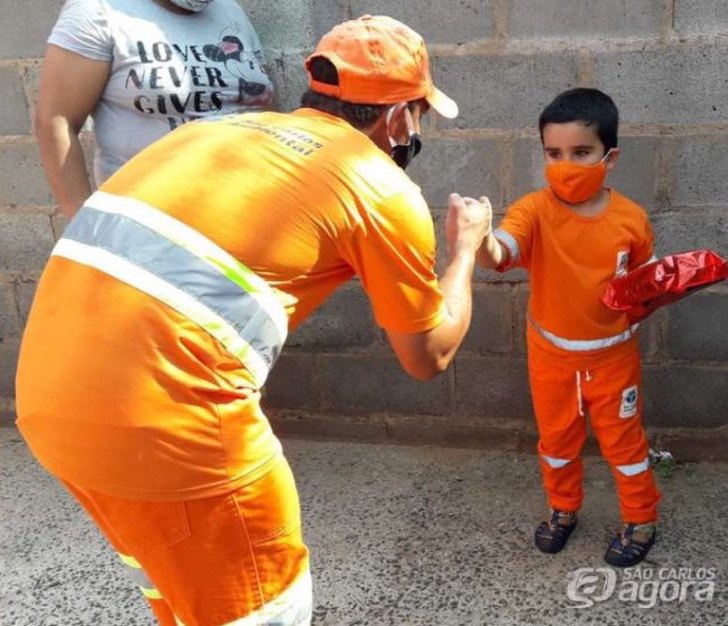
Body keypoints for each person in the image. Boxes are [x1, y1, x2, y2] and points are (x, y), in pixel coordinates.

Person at [16, 15, 492, 626]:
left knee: (186, 595)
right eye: (420, 114)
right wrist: (467, 250)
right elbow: (428, 357)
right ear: (399, 117)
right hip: (171, 434)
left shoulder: (211, 132)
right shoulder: (377, 186)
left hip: (49, 409)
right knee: (266, 610)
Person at [477, 88, 661, 567]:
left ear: (609, 157)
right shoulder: (534, 210)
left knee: (624, 442)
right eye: (553, 153)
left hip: (613, 358)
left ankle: (641, 518)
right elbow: (503, 249)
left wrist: (670, 284)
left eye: (580, 153)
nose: (565, 164)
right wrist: (479, 240)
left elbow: (648, 281)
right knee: (556, 441)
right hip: (551, 358)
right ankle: (563, 510)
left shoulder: (632, 220)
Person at [35, 0, 274, 219]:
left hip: (247, 215)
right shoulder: (98, 11)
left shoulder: (228, 10)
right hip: (152, 225)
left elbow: (262, 106)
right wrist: (84, 225)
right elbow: (55, 120)